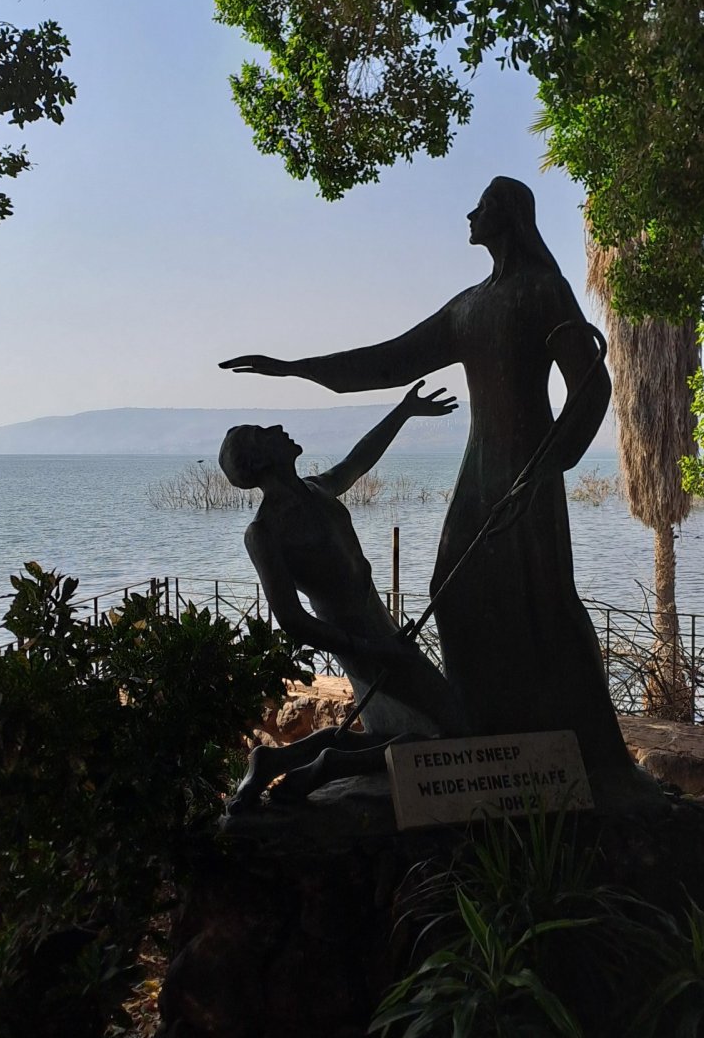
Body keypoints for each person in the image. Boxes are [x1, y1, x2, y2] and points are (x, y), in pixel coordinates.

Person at [223, 176, 661, 812]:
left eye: (482, 205)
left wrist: (550, 464)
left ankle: (586, 753)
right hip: (481, 472)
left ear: (507, 216)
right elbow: (386, 361)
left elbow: (590, 388)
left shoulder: (544, 289)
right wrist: (295, 368)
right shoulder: (469, 307)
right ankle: (485, 737)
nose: (469, 213)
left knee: (544, 599)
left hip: (528, 470)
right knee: (454, 593)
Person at [218, 382, 466, 810]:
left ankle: (275, 760)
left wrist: (404, 411)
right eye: (263, 433)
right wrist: (368, 648)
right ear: (257, 460)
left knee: (393, 731)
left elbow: (358, 461)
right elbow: (291, 618)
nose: (277, 428)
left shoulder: (317, 488)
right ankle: (326, 767)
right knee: (452, 730)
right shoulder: (265, 532)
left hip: (379, 620)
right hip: (355, 637)